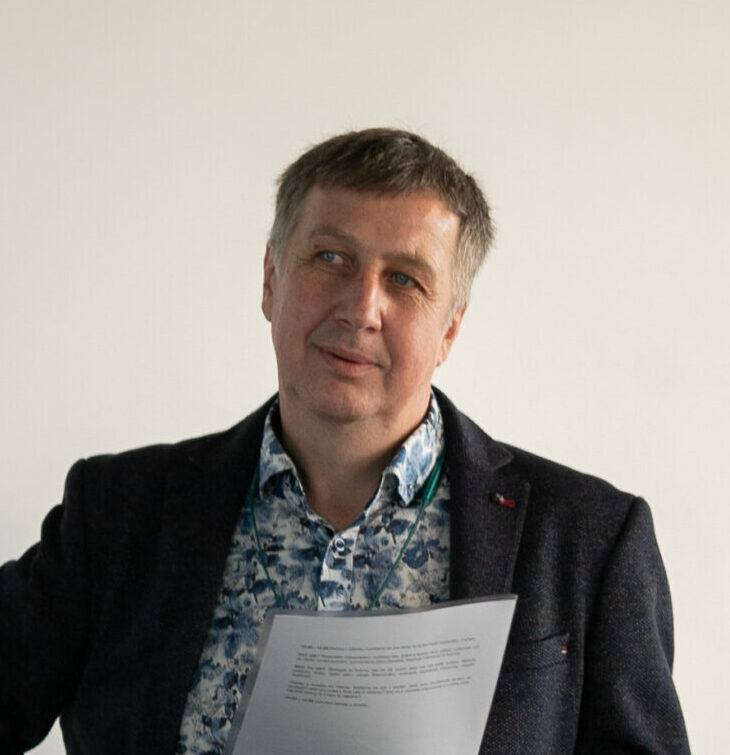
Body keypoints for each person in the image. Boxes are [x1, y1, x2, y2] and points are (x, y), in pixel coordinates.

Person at [0, 128, 689, 754]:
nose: (361, 308)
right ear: (271, 279)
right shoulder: (116, 513)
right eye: (330, 257)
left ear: (450, 328)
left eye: (405, 280)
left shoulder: (590, 539)